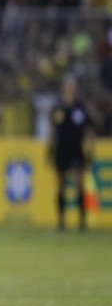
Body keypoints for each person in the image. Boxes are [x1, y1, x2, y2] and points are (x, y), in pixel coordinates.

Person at [47, 75, 95, 231]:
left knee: (79, 185)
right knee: (60, 185)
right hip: (61, 149)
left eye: (72, 88)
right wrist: (49, 149)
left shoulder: (81, 108)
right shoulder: (57, 108)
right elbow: (53, 130)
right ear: (63, 89)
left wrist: (90, 149)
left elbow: (88, 131)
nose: (70, 90)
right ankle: (61, 220)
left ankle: (82, 220)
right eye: (68, 87)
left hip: (76, 149)